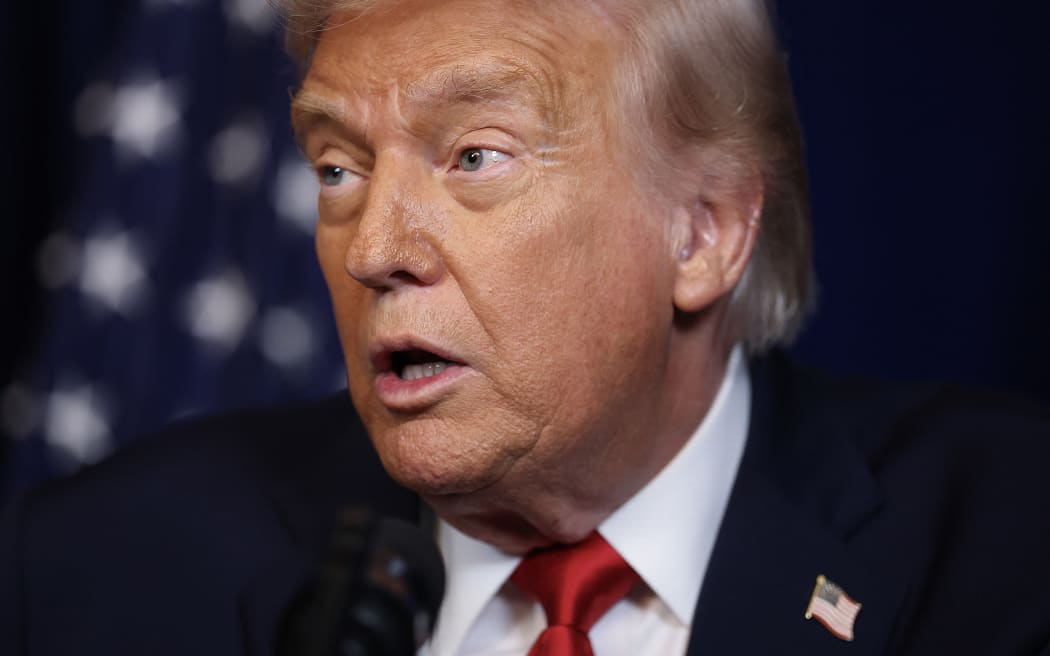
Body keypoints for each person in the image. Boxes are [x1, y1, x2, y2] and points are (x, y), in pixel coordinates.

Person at [2, 1, 1048, 654]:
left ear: (705, 234)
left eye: (473, 157)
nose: (373, 248)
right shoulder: (90, 571)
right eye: (337, 168)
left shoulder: (1006, 544)